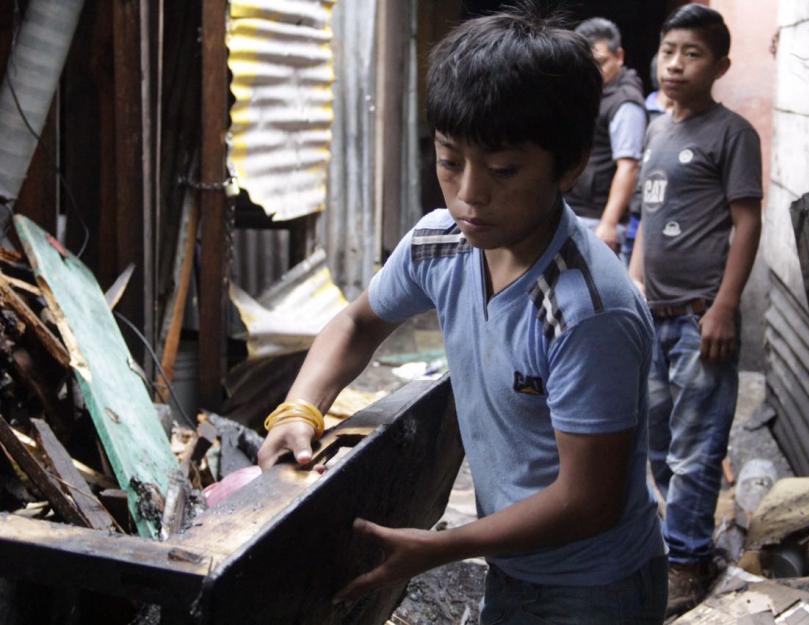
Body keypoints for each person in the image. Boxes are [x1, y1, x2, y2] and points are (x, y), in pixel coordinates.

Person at [257, 5, 667, 624]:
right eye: (450, 161)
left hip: (595, 587)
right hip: (515, 562)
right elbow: (357, 324)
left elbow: (589, 502)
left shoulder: (586, 311)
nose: (470, 195)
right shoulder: (440, 243)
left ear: (571, 165)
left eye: (503, 170)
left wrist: (442, 547)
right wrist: (298, 409)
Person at [628, 4, 762, 617]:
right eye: (669, 51)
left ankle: (686, 560)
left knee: (697, 446)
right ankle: (679, 543)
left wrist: (725, 307)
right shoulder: (656, 130)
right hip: (653, 315)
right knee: (656, 442)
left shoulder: (732, 134)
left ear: (720, 66)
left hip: (700, 317)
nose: (676, 64)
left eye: (693, 53)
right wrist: (633, 289)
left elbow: (746, 222)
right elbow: (645, 223)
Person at [566, 17, 646, 265]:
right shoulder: (589, 93)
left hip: (598, 219)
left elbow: (628, 166)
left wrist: (609, 223)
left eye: (600, 63)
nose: (593, 71)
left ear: (619, 57)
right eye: (586, 64)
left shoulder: (625, 102)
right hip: (576, 210)